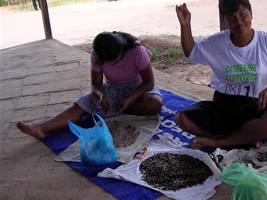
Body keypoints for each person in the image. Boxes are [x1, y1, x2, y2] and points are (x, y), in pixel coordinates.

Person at [175, 0, 267, 149]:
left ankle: (220, 142)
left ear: (251, 14)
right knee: (182, 118)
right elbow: (191, 52)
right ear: (225, 21)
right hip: (223, 104)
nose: (238, 21)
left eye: (242, 15)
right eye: (231, 18)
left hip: (255, 106)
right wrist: (185, 26)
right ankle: (245, 138)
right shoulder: (217, 42)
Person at [16, 31, 163, 140]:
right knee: (80, 106)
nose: (112, 64)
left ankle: (115, 110)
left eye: (116, 60)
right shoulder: (97, 55)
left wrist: (131, 98)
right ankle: (40, 128)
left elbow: (149, 82)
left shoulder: (137, 50)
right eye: (109, 62)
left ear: (122, 49)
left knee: (154, 104)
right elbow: (96, 84)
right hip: (112, 89)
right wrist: (101, 94)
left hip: (138, 89)